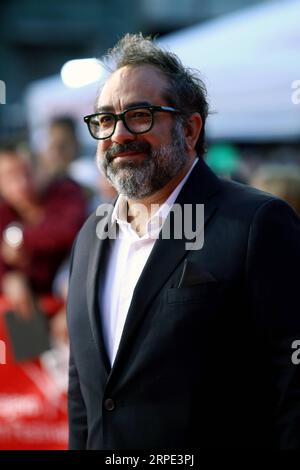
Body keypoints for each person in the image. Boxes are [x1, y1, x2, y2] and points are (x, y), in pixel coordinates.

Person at [67, 34, 300, 449]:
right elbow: (84, 393)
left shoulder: (256, 223)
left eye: (139, 114)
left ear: (189, 129)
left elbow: (293, 386)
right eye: (104, 120)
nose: (118, 134)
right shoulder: (91, 234)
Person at [0, 144, 87, 319]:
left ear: (41, 169)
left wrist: (21, 239)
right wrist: (9, 277)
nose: (21, 183)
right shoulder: (4, 212)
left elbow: (67, 231)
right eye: (10, 177)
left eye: (26, 172)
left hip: (74, 283)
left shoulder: (65, 191)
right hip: (33, 310)